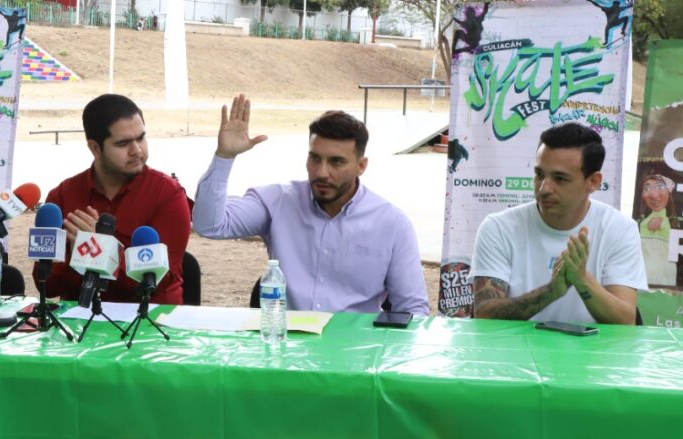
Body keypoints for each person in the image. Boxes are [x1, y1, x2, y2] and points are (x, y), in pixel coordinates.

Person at [193, 95, 428, 314]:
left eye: (336, 162)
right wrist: (224, 157)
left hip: (355, 351)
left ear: (361, 166)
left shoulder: (392, 223)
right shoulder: (277, 202)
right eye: (315, 158)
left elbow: (412, 309)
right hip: (286, 347)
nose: (322, 172)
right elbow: (209, 225)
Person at [471, 123, 646, 324]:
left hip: (592, 354)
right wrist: (550, 292)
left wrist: (582, 280)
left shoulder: (620, 229)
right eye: (539, 175)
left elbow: (626, 321)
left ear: (593, 182)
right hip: (517, 353)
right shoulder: (498, 228)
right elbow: (484, 314)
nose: (544, 188)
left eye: (560, 178)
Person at [39, 94, 190, 305]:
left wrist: (98, 250)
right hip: (79, 322)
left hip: (151, 323)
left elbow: (157, 283)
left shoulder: (168, 194)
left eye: (141, 138)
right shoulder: (63, 196)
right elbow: (47, 284)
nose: (137, 150)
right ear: (95, 148)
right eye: (123, 143)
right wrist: (76, 257)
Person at [637, 171, 678, 287]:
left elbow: (653, 225)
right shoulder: (649, 218)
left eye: (660, 187)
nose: (654, 195)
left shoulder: (661, 220)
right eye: (647, 189)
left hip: (657, 274)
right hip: (650, 272)